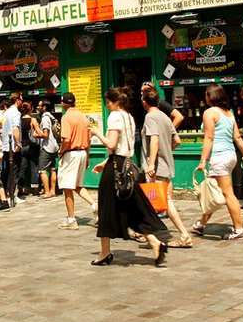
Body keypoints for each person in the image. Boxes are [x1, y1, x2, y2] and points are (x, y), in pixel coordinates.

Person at [89, 87, 169, 266]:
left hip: (115, 170)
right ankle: (155, 243)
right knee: (131, 209)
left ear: (115, 102)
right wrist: (105, 162)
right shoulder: (129, 117)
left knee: (106, 208)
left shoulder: (115, 116)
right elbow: (124, 148)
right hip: (127, 166)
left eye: (108, 102)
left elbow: (112, 144)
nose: (107, 106)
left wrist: (96, 133)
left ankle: (105, 252)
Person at [192, 83, 243, 240]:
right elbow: (237, 137)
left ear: (210, 96)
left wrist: (203, 161)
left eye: (206, 94)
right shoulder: (229, 113)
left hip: (219, 157)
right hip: (230, 156)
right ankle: (201, 224)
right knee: (213, 191)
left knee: (228, 194)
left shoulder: (210, 112)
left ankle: (238, 229)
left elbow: (209, 137)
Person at [140, 86, 191, 247]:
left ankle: (184, 235)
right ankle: (146, 233)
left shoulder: (150, 117)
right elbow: (177, 141)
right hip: (166, 164)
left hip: (156, 167)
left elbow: (154, 139)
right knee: (153, 201)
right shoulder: (165, 117)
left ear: (144, 102)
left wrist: (151, 163)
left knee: (164, 201)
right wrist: (166, 151)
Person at [56, 91, 98, 230]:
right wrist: (87, 156)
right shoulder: (82, 117)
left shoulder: (66, 117)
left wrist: (61, 151)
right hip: (82, 152)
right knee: (78, 185)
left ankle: (71, 219)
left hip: (71, 153)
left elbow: (66, 139)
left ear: (64, 103)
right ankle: (95, 205)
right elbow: (89, 139)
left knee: (67, 187)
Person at [0, 92, 23, 207]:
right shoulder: (16, 113)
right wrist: (18, 143)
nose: (22, 102)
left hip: (5, 146)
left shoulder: (6, 113)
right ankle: (11, 195)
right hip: (13, 146)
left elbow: (3, 128)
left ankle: (5, 194)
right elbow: (15, 128)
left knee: (7, 171)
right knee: (14, 171)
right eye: (21, 100)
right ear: (17, 100)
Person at [34, 100, 59, 198]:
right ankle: (53, 191)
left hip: (47, 147)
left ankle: (47, 192)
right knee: (52, 169)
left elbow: (45, 134)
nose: (38, 107)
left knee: (42, 170)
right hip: (54, 146)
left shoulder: (45, 118)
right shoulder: (52, 117)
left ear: (44, 107)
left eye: (39, 106)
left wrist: (36, 135)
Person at [18, 101, 40, 197]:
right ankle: (35, 189)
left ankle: (20, 189)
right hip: (32, 146)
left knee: (22, 168)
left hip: (22, 146)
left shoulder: (19, 120)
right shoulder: (33, 120)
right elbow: (39, 132)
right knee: (34, 167)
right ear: (30, 109)